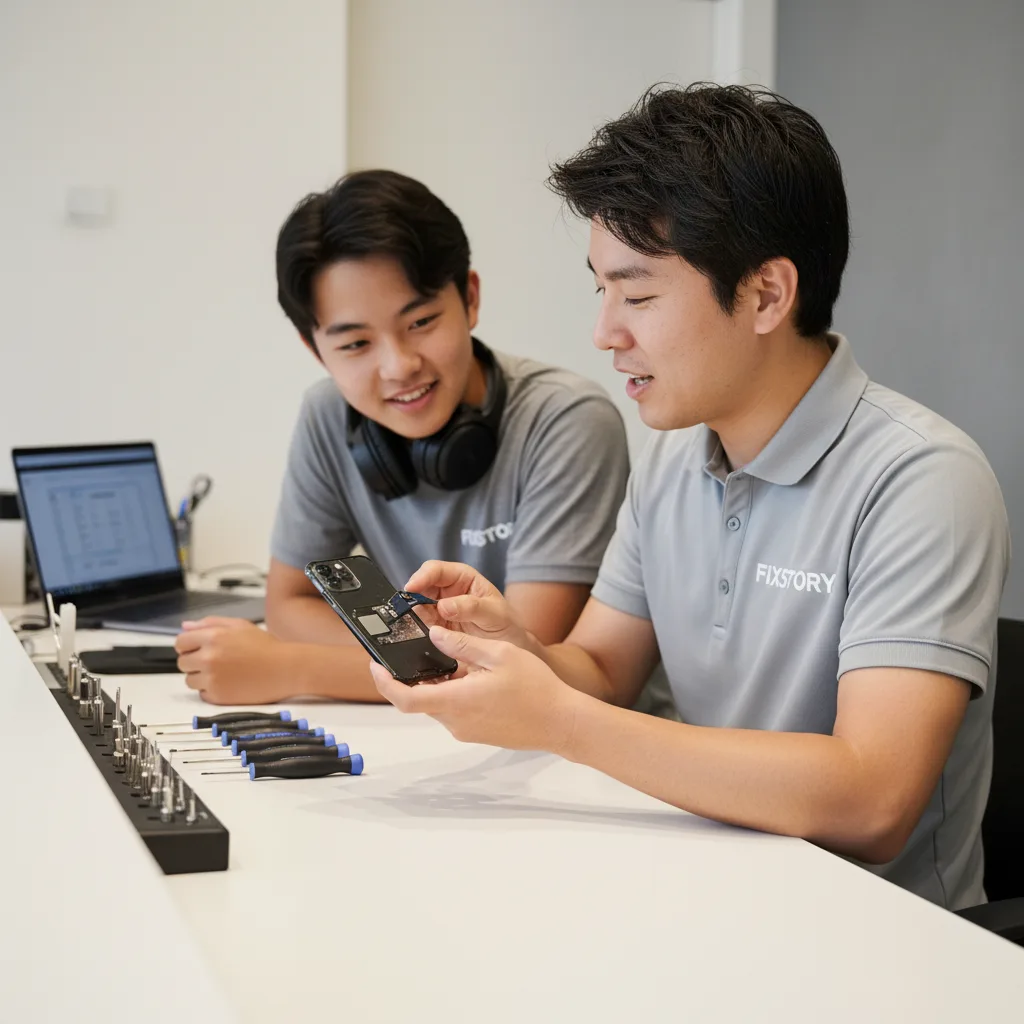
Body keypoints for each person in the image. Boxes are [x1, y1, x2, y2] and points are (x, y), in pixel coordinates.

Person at [369, 86, 1010, 910]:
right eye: (601, 291)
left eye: (637, 296)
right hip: (707, 890)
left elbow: (870, 799)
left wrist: (558, 722)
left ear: (767, 296)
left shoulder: (922, 480)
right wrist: (514, 646)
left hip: (878, 939)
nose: (606, 332)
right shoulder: (675, 454)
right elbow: (600, 668)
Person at [175, 170, 671, 712]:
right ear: (315, 348)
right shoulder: (327, 415)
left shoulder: (566, 420)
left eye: (421, 322)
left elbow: (512, 664)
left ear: (470, 298)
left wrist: (289, 666)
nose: (399, 367)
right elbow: (290, 604)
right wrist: (423, 650)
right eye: (357, 343)